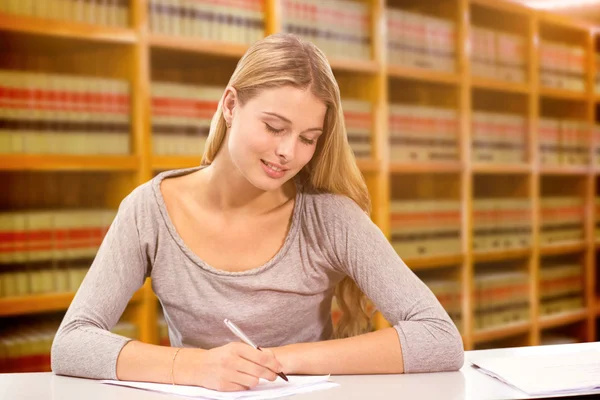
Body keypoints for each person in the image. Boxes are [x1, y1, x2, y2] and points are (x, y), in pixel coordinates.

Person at [51, 32, 464, 392]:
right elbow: (72, 343)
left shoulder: (331, 218)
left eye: (307, 138)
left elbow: (439, 339)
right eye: (274, 127)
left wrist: (279, 360)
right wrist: (195, 366)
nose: (288, 152)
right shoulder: (150, 210)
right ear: (231, 106)